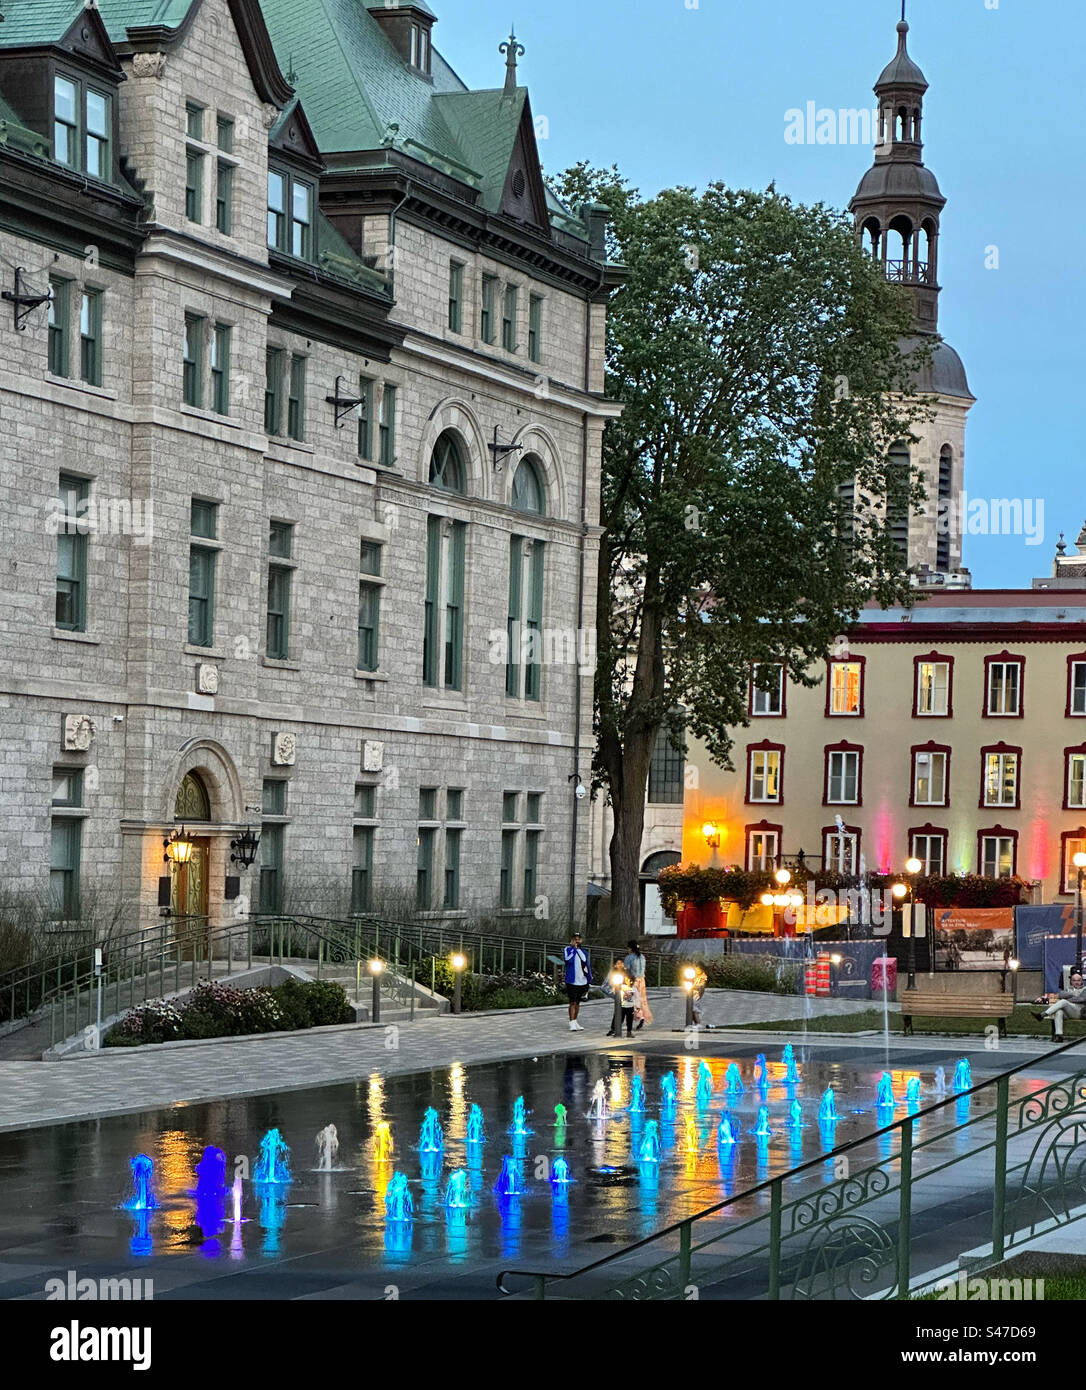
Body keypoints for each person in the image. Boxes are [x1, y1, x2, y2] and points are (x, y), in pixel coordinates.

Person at [1032, 970, 1086, 1040]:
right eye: (1074, 980)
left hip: (1079, 1011)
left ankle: (1042, 1015)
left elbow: (1082, 999)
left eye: (1078, 980)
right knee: (1059, 1011)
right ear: (1071, 981)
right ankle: (1059, 1035)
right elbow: (1060, 995)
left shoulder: (1085, 989)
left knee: (1063, 1002)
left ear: (1082, 981)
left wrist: (1068, 999)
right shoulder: (1068, 989)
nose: (1076, 982)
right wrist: (1073, 994)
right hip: (1070, 1011)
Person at [622, 938, 653, 1031]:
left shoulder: (629, 957)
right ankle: (642, 1016)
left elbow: (626, 970)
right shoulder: (642, 957)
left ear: (630, 948)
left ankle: (636, 1018)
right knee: (642, 1000)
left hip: (633, 981)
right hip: (642, 980)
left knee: (632, 1001)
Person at [563, 932, 592, 1031]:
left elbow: (585, 962)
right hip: (572, 981)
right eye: (575, 939)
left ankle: (575, 1021)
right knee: (572, 1002)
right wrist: (574, 949)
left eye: (578, 939)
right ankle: (571, 1022)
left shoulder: (583, 952)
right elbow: (568, 960)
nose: (576, 941)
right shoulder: (567, 949)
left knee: (578, 1002)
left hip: (582, 980)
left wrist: (589, 978)